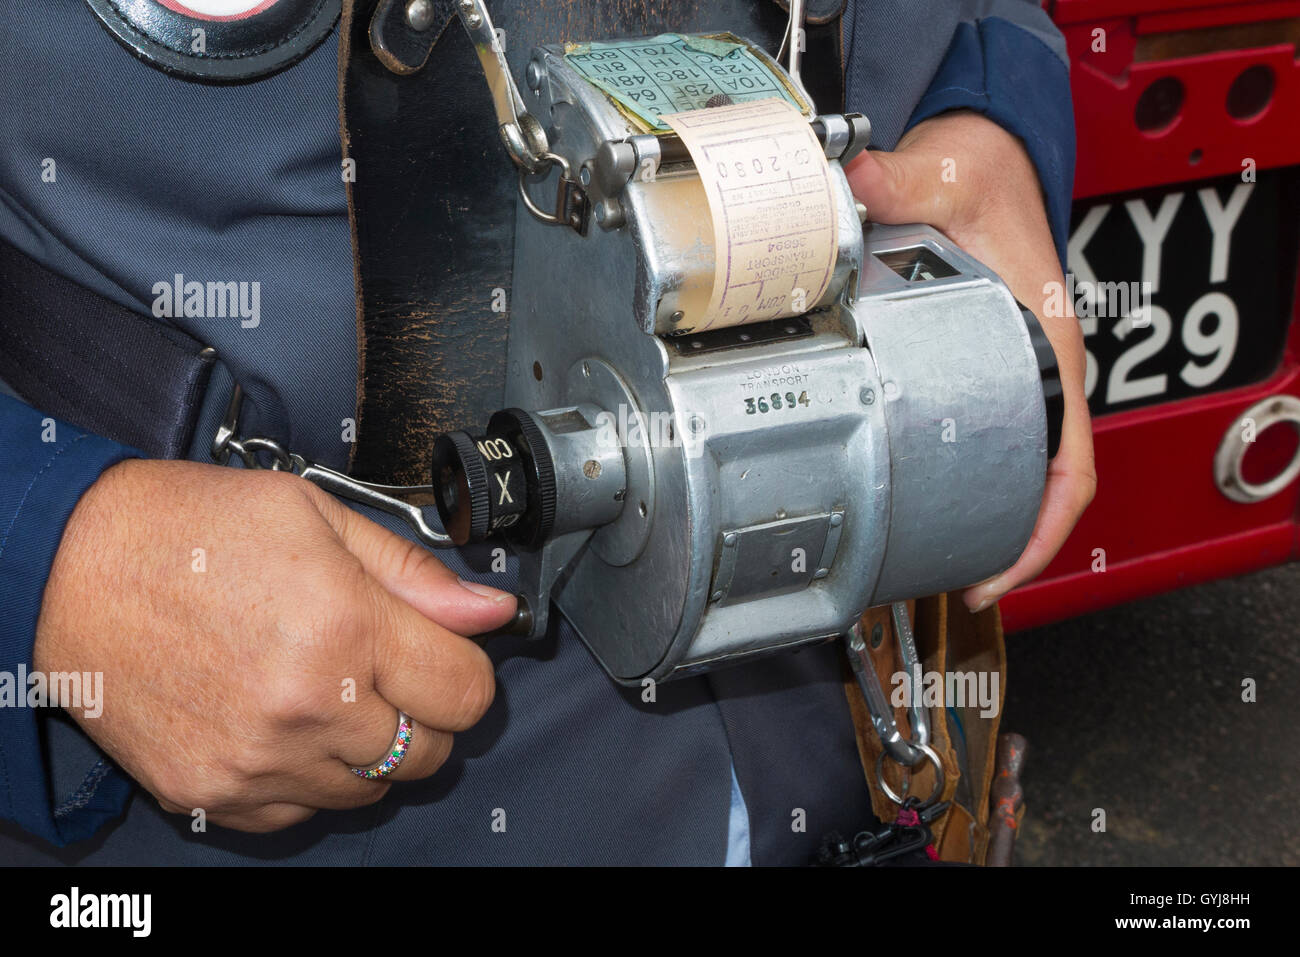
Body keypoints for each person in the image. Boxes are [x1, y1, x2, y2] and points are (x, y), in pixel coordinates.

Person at [0, 0, 1093, 865]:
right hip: (286, 786)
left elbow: (972, 22)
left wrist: (986, 118)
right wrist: (49, 557)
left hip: (830, 730)